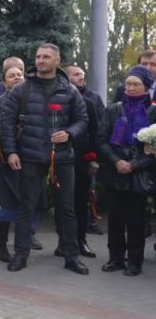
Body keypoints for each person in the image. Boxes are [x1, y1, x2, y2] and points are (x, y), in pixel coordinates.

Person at [0, 43, 89, 274]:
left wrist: (69, 133)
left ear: (57, 61)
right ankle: (21, 254)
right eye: (38, 56)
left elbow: (82, 120)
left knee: (66, 209)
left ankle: (71, 256)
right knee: (26, 207)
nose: (40, 60)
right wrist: (11, 152)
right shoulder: (23, 89)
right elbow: (6, 122)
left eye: (46, 57)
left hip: (62, 158)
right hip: (29, 156)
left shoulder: (70, 90)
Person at [96, 66, 156, 276]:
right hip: (114, 172)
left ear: (146, 87)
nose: (130, 88)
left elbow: (153, 148)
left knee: (136, 219)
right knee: (115, 218)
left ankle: (135, 261)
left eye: (136, 84)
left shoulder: (153, 112)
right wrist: (117, 162)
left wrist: (133, 165)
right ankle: (116, 258)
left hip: (139, 174)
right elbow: (101, 141)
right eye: (128, 84)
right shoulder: (114, 109)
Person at [64, 64, 104, 258]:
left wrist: (95, 158)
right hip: (60, 159)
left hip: (82, 160)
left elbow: (97, 131)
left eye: (82, 75)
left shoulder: (89, 102)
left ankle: (81, 241)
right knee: (63, 203)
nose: (80, 78)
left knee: (80, 203)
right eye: (76, 75)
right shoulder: (57, 102)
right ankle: (64, 242)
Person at [0, 65, 25, 262]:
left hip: (27, 159)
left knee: (25, 202)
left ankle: (22, 245)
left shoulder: (31, 102)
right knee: (4, 203)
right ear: (4, 81)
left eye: (20, 74)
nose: (17, 77)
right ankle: (1, 244)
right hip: (1, 161)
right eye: (12, 75)